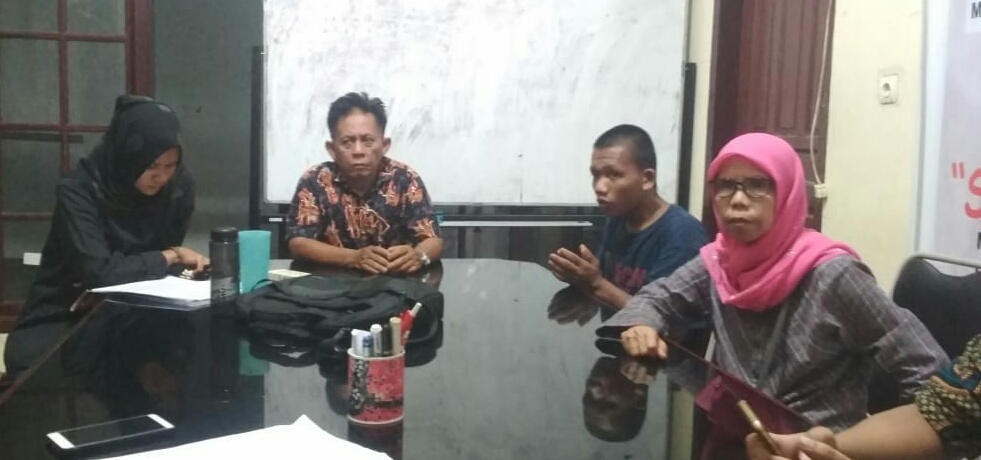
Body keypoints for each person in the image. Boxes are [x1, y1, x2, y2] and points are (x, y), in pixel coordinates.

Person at [605, 132, 948, 429]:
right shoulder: (719, 260)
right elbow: (656, 298)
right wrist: (643, 323)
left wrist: (879, 444)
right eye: (726, 186)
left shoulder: (834, 275)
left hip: (818, 444)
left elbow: (930, 370)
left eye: (757, 185)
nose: (738, 201)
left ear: (787, 192)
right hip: (738, 433)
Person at [3, 95, 207, 377]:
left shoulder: (178, 187)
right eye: (151, 166)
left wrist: (173, 264)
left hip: (133, 309)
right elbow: (98, 272)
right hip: (68, 310)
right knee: (41, 368)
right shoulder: (79, 190)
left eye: (170, 166)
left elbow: (157, 266)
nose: (161, 177)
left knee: (187, 352)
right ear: (127, 155)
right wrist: (171, 255)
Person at [548, 125, 707, 317]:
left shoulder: (683, 235)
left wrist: (595, 283)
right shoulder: (618, 219)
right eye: (595, 175)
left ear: (647, 179)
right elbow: (605, 284)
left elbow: (658, 316)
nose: (599, 187)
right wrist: (580, 280)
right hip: (615, 334)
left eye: (613, 175)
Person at [746, 335, 981, 460]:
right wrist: (815, 448)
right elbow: (942, 411)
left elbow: (925, 359)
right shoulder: (724, 280)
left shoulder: (837, 276)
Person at [287, 92, 443, 275]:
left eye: (368, 141)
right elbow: (298, 243)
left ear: (384, 145)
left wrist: (419, 256)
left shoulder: (405, 178)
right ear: (332, 149)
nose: (358, 151)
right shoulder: (315, 180)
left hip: (394, 284)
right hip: (330, 285)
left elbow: (433, 239)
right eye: (347, 142)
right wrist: (353, 258)